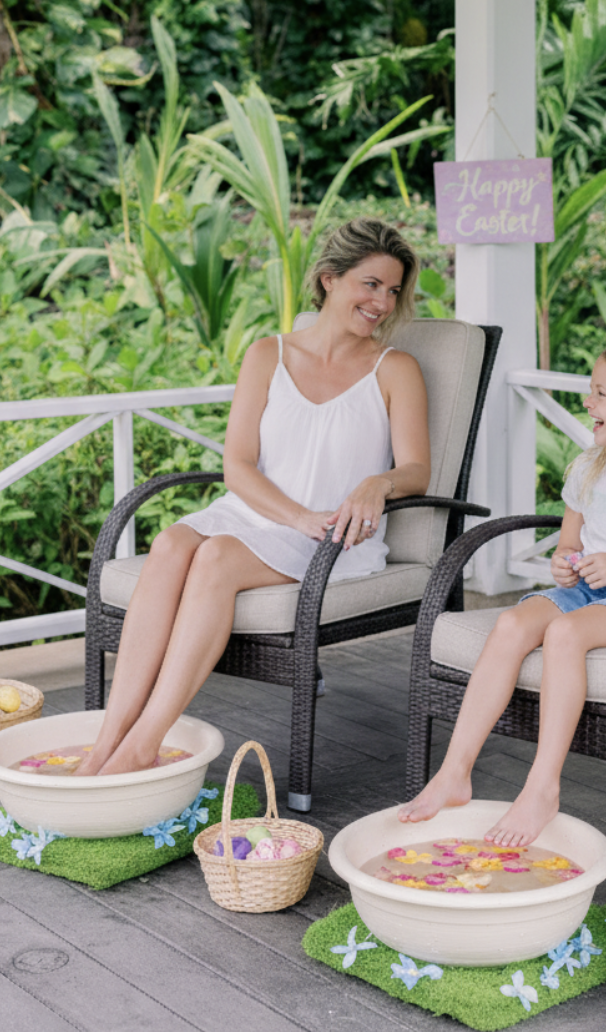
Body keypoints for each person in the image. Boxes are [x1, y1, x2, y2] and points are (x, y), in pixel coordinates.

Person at [78, 218, 430, 776]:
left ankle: (144, 745)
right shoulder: (268, 354)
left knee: (214, 556)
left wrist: (376, 483)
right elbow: (236, 466)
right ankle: (105, 743)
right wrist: (296, 515)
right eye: (370, 284)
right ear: (329, 280)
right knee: (171, 542)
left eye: (392, 291)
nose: (383, 302)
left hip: (337, 537)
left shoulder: (395, 369)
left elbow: (416, 470)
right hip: (261, 514)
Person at [399, 338, 606, 846]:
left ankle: (542, 788)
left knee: (566, 634)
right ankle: (454, 772)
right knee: (510, 624)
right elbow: (569, 546)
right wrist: (564, 565)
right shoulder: (590, 467)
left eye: (600, 393)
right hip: (589, 591)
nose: (588, 403)